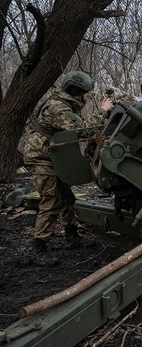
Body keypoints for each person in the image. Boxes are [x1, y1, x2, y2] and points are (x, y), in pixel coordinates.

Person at [23, 71, 113, 261]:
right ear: (76, 91)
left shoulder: (64, 104)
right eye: (86, 93)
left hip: (52, 156)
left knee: (67, 198)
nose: (88, 97)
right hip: (42, 158)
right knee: (50, 201)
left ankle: (72, 237)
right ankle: (39, 247)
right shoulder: (57, 108)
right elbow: (82, 130)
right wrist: (103, 110)